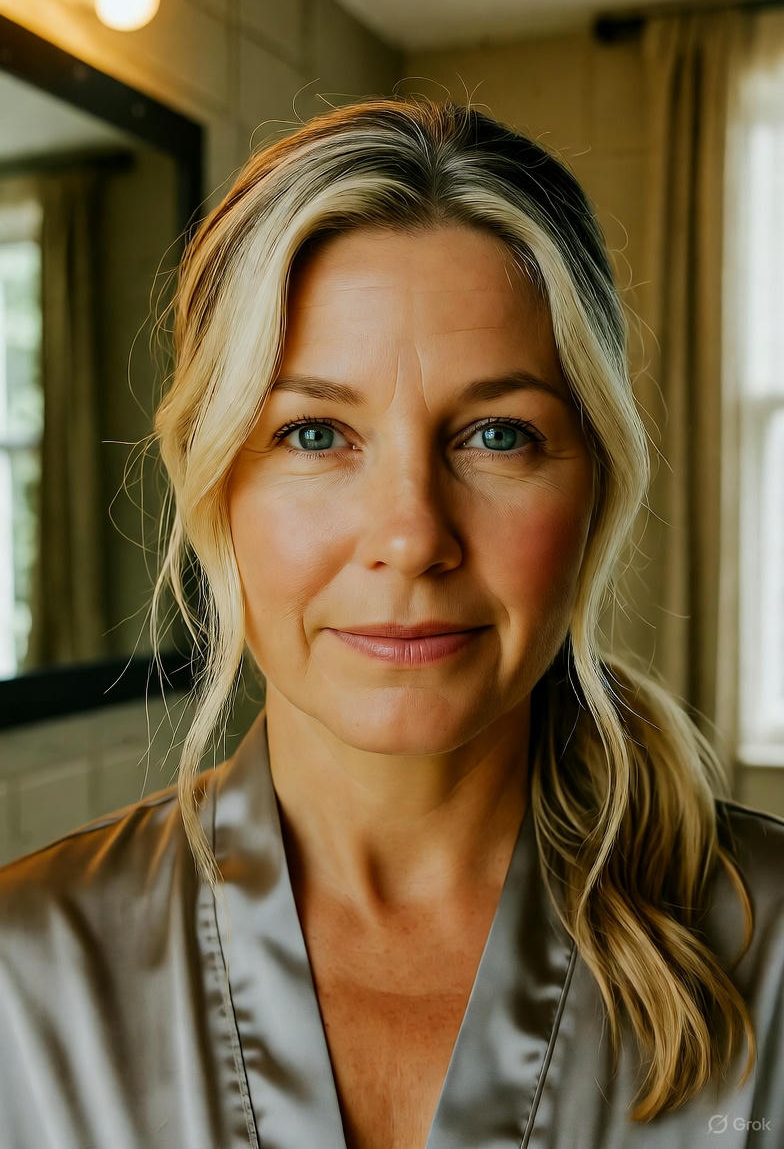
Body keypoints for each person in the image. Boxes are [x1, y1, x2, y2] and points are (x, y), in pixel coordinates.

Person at [0, 95, 782, 1149]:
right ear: (214, 481)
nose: (411, 534)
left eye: (498, 433)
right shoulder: (25, 969)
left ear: (595, 485)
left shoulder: (769, 954)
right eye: (315, 431)